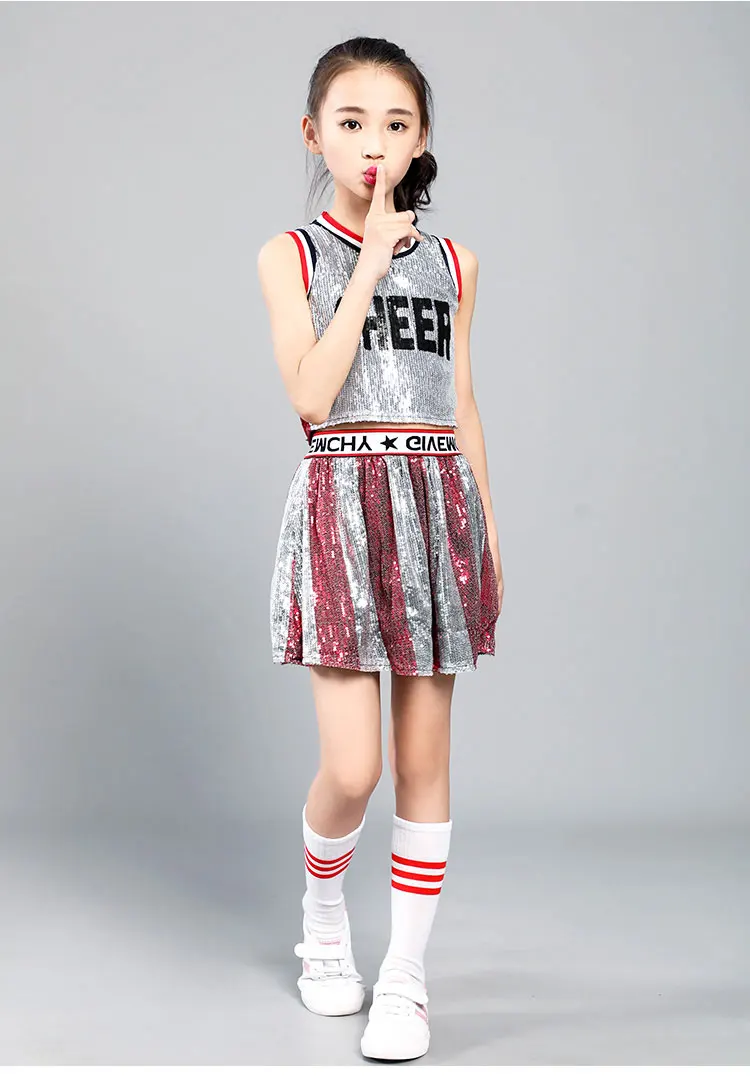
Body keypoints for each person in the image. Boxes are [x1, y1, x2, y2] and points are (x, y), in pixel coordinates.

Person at [257, 36, 504, 1063]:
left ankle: (404, 977)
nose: (373, 144)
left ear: (421, 139)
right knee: (354, 767)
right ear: (313, 134)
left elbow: (462, 403)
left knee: (423, 761)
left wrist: (488, 534)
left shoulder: (456, 265)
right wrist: (365, 263)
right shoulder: (291, 254)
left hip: (437, 508)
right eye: (351, 122)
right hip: (343, 508)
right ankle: (323, 912)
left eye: (395, 124)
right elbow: (313, 397)